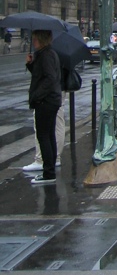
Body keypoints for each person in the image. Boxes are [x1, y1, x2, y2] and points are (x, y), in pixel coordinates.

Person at [25, 30, 62, 184]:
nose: (33, 42)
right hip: (52, 100)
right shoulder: (48, 53)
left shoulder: (45, 55)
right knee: (49, 135)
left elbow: (48, 79)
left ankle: (48, 172)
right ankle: (50, 168)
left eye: (34, 39)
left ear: (40, 40)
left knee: (43, 136)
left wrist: (37, 96)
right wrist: (30, 65)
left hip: (46, 101)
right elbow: (41, 74)